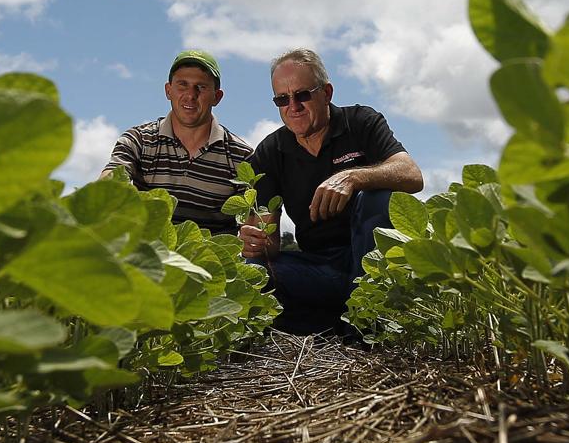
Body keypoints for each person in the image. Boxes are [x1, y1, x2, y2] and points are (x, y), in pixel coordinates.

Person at [239, 48, 423, 335]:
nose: (293, 106)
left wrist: (353, 178)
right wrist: (256, 240)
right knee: (252, 271)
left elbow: (412, 175)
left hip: (372, 268)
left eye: (302, 95)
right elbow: (271, 242)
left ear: (326, 92)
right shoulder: (270, 152)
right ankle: (330, 324)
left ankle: (366, 324)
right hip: (319, 268)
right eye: (282, 99)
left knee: (377, 196)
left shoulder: (361, 122)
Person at [101, 50, 252, 234]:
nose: (190, 95)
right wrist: (106, 192)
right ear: (168, 91)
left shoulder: (242, 157)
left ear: (217, 97)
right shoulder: (138, 139)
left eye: (201, 87)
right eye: (182, 85)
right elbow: (112, 178)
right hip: (147, 254)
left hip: (210, 259)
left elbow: (249, 225)